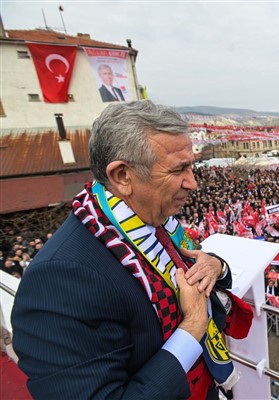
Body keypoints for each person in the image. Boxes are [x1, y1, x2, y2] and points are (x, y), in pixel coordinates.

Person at [11, 100, 253, 399]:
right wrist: (192, 329)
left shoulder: (155, 222)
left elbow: (193, 264)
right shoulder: (59, 279)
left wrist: (216, 266)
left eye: (192, 166)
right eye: (180, 169)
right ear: (123, 176)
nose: (193, 183)